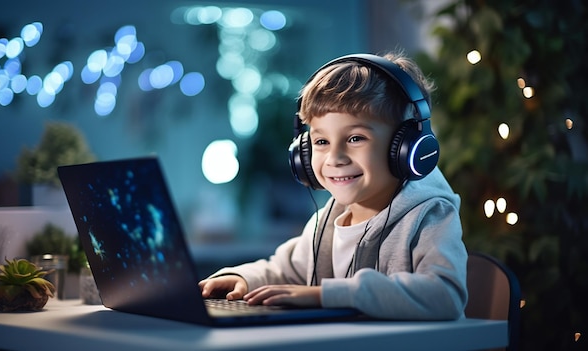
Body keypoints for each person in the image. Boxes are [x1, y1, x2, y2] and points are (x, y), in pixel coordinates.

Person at [199, 51, 468, 320]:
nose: (335, 158)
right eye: (321, 142)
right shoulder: (326, 221)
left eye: (355, 138)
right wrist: (242, 278)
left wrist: (326, 295)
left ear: (407, 147)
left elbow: (445, 295)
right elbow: (284, 270)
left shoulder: (429, 216)